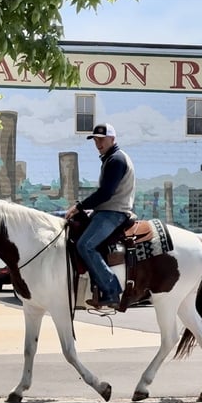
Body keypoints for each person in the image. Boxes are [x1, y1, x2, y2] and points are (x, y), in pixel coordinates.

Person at [65, 122, 135, 308]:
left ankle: (111, 290)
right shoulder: (110, 158)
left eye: (102, 139)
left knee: (85, 245)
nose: (98, 143)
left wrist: (79, 206)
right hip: (107, 209)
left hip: (114, 211)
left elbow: (106, 193)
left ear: (113, 139)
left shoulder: (116, 160)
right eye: (95, 139)